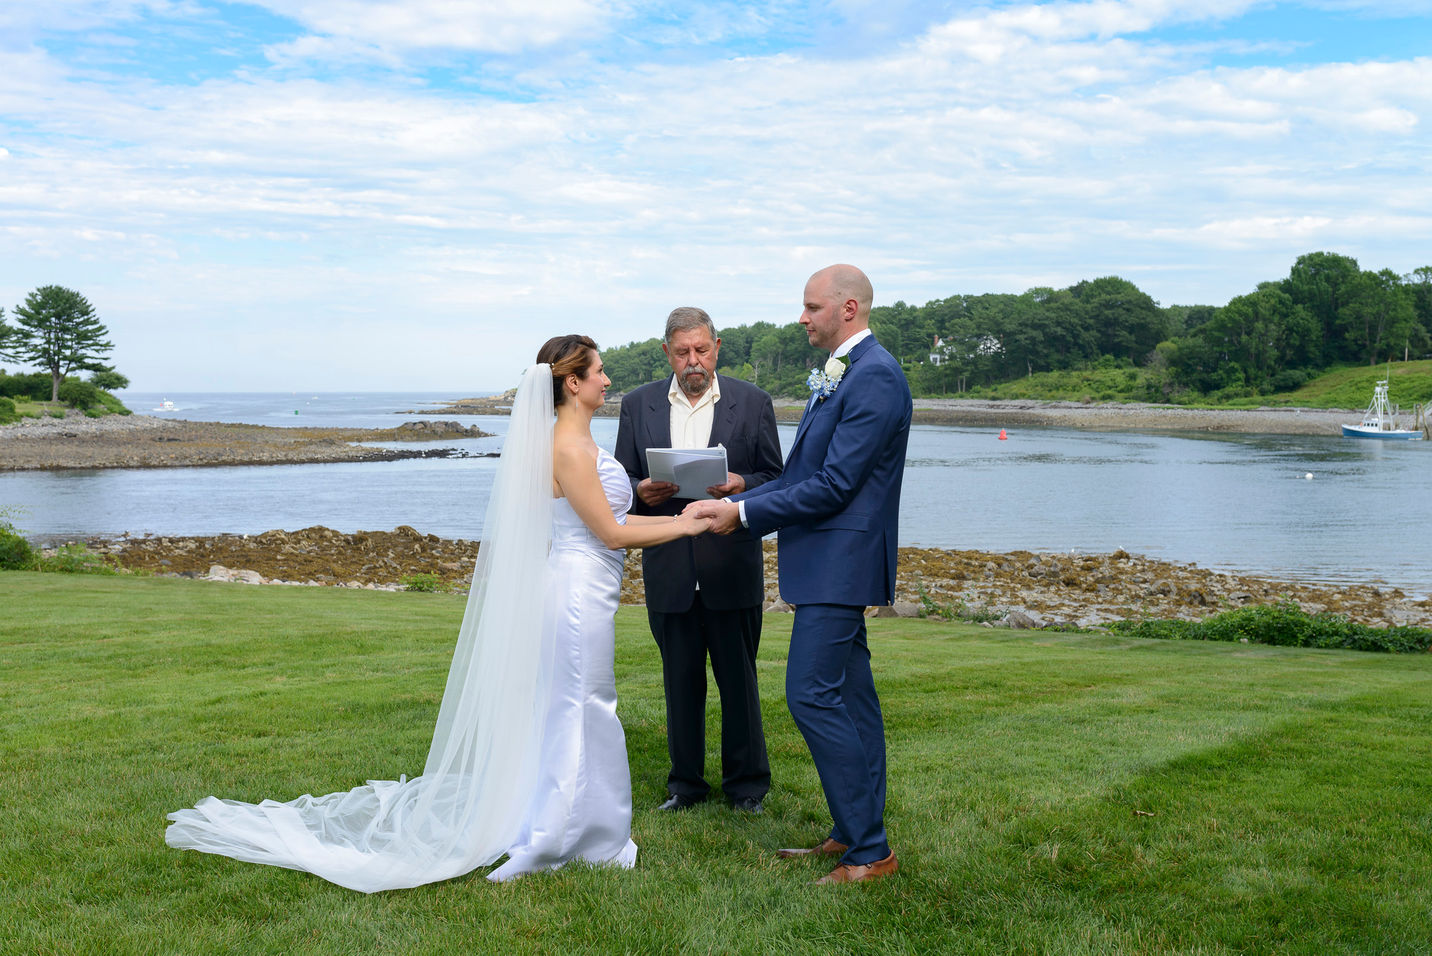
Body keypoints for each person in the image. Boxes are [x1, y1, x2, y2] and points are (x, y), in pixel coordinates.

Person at [165, 335, 712, 891]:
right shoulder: (568, 450)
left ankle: (581, 824)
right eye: (599, 371)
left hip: (585, 584)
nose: (607, 380)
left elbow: (607, 529)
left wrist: (685, 520)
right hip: (576, 593)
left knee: (576, 705)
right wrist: (687, 525)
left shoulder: (572, 443)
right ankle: (559, 835)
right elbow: (611, 532)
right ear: (573, 383)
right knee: (582, 705)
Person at [689, 265, 911, 885]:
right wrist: (741, 491)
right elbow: (804, 472)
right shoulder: (842, 374)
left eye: (811, 307)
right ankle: (852, 833)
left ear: (847, 309)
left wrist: (741, 515)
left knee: (811, 695)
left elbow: (838, 486)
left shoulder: (875, 376)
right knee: (854, 700)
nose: (802, 317)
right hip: (825, 564)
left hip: (842, 564)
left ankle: (871, 851)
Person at [614, 307, 783, 813]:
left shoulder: (753, 402)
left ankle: (747, 787)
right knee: (679, 684)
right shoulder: (638, 404)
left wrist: (740, 486)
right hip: (668, 567)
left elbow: (777, 478)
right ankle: (684, 786)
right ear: (666, 351)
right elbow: (619, 482)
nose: (694, 361)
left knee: (740, 684)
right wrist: (641, 489)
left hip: (730, 565)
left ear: (717, 347)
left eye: (702, 350)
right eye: (683, 352)